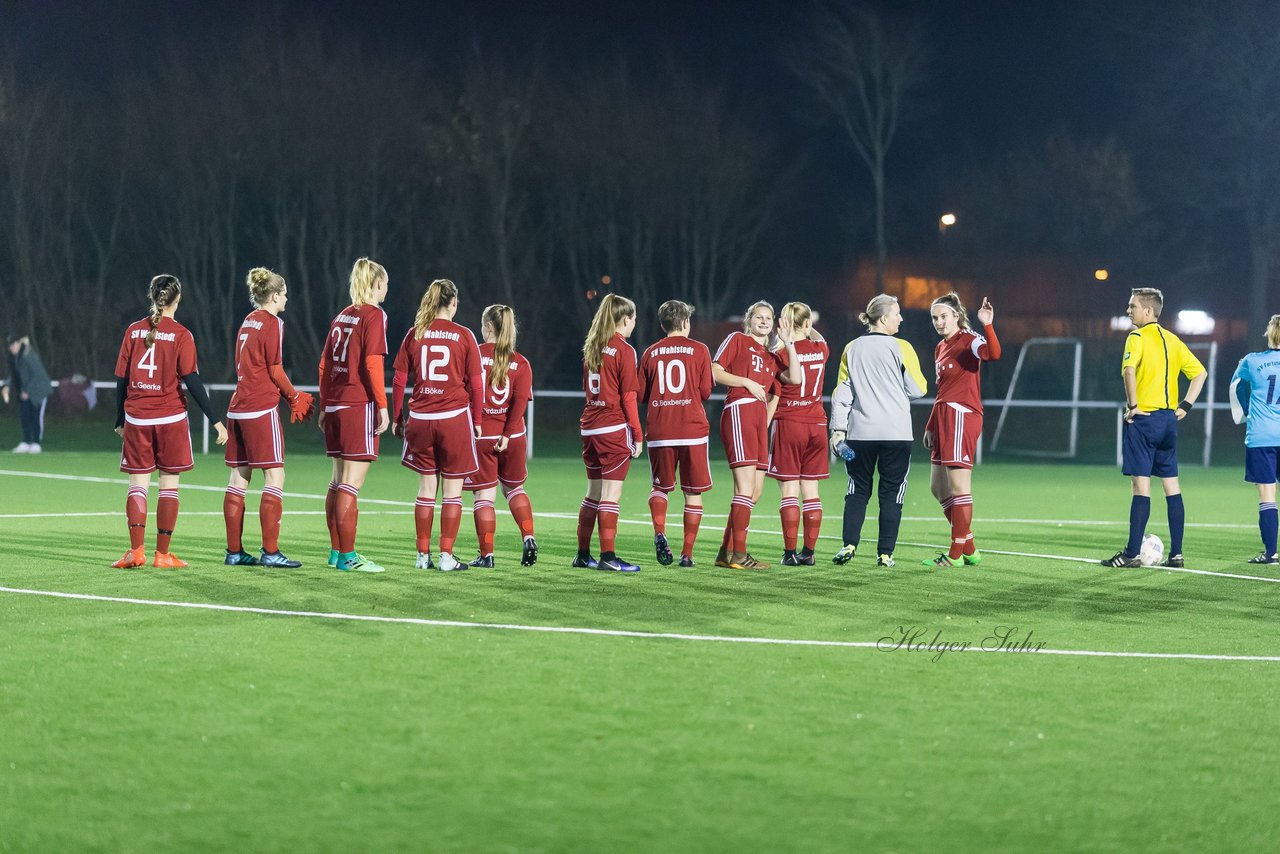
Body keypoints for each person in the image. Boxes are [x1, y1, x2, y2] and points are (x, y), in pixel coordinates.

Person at [111, 274, 228, 569]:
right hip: (170, 419)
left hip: (137, 418)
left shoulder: (133, 331)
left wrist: (119, 418)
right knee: (169, 486)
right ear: (178, 299)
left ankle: (136, 551)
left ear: (152, 297)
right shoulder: (182, 335)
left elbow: (121, 380)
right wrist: (216, 420)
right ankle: (162, 555)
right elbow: (192, 381)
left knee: (138, 484)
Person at [1102, 287, 1206, 568]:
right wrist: (1186, 405)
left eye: (1132, 306)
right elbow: (1200, 373)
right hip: (1168, 422)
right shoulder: (1173, 340)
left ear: (1148, 311)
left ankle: (1132, 553)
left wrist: (1133, 405)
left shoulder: (1136, 337)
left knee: (1140, 487)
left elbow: (1128, 370)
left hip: (1144, 420)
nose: (1128, 310)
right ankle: (1177, 555)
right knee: (1172, 486)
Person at [222, 268, 315, 568]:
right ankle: (271, 552)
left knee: (238, 478)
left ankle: (234, 552)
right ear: (274, 296)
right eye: (284, 294)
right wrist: (293, 397)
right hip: (261, 408)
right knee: (275, 476)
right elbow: (275, 369)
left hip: (237, 407)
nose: (286, 298)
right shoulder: (273, 322)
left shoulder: (247, 322)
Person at [391, 278, 484, 572]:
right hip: (453, 419)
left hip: (420, 420)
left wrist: (396, 417)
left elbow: (398, 380)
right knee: (452, 492)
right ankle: (446, 556)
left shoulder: (414, 333)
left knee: (426, 488)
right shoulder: (465, 335)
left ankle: (422, 556)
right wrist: (478, 420)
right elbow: (477, 384)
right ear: (453, 303)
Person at [828, 294, 928, 567]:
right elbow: (919, 389)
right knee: (892, 493)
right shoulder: (901, 347)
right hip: (896, 433)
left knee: (857, 490)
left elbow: (841, 395)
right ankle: (885, 554)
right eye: (897, 313)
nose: (901, 318)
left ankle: (849, 544)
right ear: (884, 318)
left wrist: (837, 431)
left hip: (860, 434)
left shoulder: (852, 347)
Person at [712, 301, 799, 569]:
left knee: (755, 491)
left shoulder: (771, 356)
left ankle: (725, 554)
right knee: (745, 489)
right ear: (748, 320)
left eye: (769, 318)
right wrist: (747, 382)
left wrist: (790, 343)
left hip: (760, 421)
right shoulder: (737, 339)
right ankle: (739, 554)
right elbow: (715, 371)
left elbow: (795, 379)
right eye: (758, 317)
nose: (764, 322)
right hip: (739, 411)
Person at [319, 258, 390, 574]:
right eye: (385, 283)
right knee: (351, 483)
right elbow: (372, 365)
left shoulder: (341, 316)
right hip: (357, 404)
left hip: (335, 405)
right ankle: (349, 557)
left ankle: (336, 552)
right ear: (376, 284)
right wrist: (383, 405)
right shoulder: (374, 315)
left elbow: (323, 366)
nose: (387, 288)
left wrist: (324, 405)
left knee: (336, 482)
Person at [922, 292, 1001, 568]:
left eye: (943, 316)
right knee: (937, 487)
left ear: (956, 316)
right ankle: (969, 547)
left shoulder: (969, 339)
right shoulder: (939, 347)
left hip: (961, 415)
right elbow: (942, 390)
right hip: (943, 416)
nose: (939, 322)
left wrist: (987, 325)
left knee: (958, 487)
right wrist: (931, 424)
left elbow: (993, 353)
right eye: (935, 317)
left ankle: (955, 555)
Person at [639, 300, 714, 567]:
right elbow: (705, 391)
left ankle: (660, 533)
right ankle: (687, 554)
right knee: (693, 493)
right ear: (685, 323)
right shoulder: (700, 350)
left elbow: (642, 394)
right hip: (692, 429)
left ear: (663, 324)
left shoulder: (650, 352)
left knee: (660, 488)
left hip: (660, 429)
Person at [464, 304, 538, 568]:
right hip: (514, 436)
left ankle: (487, 555)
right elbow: (520, 403)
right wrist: (508, 434)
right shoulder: (521, 362)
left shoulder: (473, 355)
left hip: (482, 435)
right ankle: (528, 536)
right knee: (515, 489)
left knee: (484, 496)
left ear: (487, 327)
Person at [575, 293, 644, 572]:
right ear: (626, 319)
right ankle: (608, 556)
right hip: (613, 428)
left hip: (589, 428)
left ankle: (582, 554)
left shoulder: (592, 346)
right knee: (610, 496)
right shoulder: (624, 350)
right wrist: (638, 434)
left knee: (593, 493)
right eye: (634, 318)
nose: (635, 323)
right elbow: (628, 398)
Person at [768, 302, 830, 566]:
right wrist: (808, 326)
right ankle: (809, 553)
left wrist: (785, 339)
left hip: (789, 423)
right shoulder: (821, 349)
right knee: (811, 492)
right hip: (816, 425)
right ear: (807, 324)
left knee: (789, 492)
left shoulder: (779, 355)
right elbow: (819, 337)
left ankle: (789, 553)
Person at [1231, 315, 1280, 564]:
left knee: (1267, 495)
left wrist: (1245, 415)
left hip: (1262, 436)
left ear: (1269, 334)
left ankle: (1271, 553)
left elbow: (1236, 386)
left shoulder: (1251, 361)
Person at [4, 334, 52, 453]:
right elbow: (15, 375)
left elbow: (37, 375)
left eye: (14, 344)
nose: (12, 347)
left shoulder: (29, 355)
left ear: (19, 343)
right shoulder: (15, 357)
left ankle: (36, 443)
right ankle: (26, 442)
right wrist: (7, 386)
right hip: (25, 393)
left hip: (39, 391)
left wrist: (27, 391)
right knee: (25, 417)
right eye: (10, 345)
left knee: (36, 417)